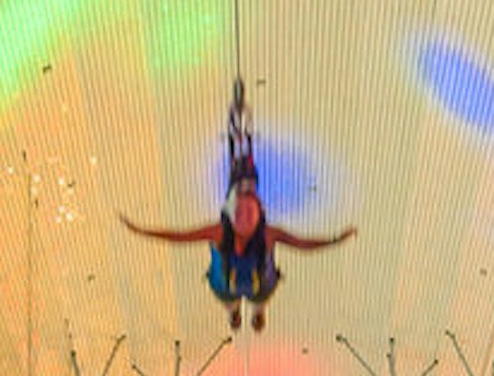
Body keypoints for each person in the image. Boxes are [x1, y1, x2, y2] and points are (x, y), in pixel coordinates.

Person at [121, 82, 351, 331]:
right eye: (240, 212)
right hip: (241, 286)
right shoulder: (239, 233)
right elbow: (178, 237)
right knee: (239, 300)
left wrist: (334, 240)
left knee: (255, 299)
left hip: (246, 286)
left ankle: (251, 313)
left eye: (246, 213)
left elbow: (304, 244)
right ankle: (238, 314)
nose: (242, 217)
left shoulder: (252, 234)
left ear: (258, 215)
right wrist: (142, 231)